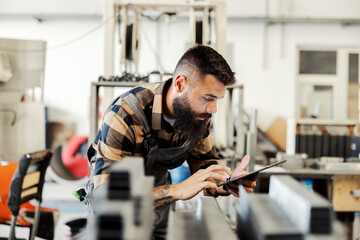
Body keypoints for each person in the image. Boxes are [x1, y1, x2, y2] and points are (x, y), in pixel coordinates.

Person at [86, 44, 258, 239]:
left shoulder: (198, 115)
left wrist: (229, 182)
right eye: (208, 98)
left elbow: (205, 167)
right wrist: (178, 190)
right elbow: (108, 197)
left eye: (217, 99)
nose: (213, 109)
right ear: (179, 84)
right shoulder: (124, 114)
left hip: (160, 201)